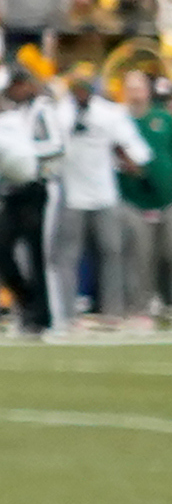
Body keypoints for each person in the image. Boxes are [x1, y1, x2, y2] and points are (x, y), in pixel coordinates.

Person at [53, 69, 147, 330]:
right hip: (71, 193)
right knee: (68, 255)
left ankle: (113, 311)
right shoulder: (60, 114)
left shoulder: (109, 113)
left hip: (104, 192)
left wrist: (130, 161)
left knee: (112, 252)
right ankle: (68, 313)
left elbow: (131, 147)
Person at [121, 67, 172, 328]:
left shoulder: (165, 119)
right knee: (140, 258)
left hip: (169, 198)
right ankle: (141, 308)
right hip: (133, 199)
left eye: (139, 87)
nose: (135, 92)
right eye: (130, 87)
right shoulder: (119, 121)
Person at [0, 62, 59, 332]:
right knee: (3, 248)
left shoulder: (42, 110)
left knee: (37, 253)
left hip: (37, 186)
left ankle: (42, 316)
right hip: (13, 189)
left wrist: (27, 156)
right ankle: (27, 300)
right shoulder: (11, 115)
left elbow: (57, 146)